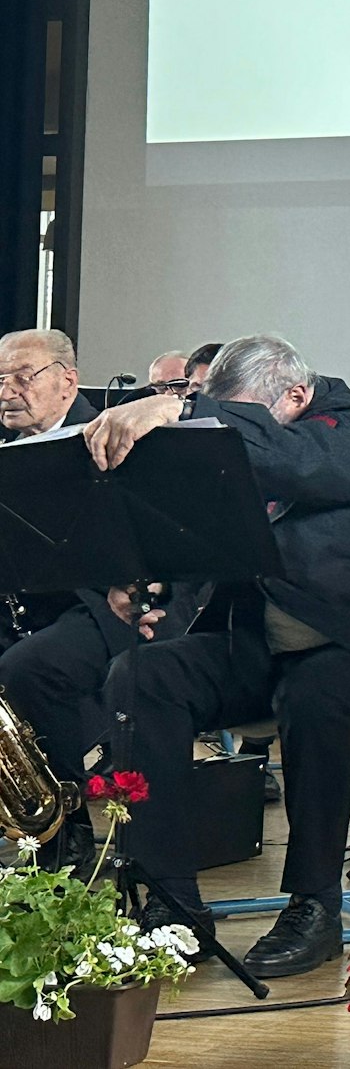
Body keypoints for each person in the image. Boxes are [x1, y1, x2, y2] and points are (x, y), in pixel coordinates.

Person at [85, 334, 350, 978]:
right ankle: (171, 906)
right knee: (143, 676)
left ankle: (315, 907)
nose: (229, 434)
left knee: (314, 691)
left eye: (242, 414)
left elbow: (294, 464)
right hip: (264, 651)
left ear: (297, 396)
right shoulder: (263, 438)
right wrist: (152, 581)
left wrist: (174, 411)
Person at [0, 330, 135, 871]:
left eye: (21, 377)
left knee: (26, 668)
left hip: (104, 605)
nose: (7, 391)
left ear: (67, 380)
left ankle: (66, 826)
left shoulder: (111, 436)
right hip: (27, 602)